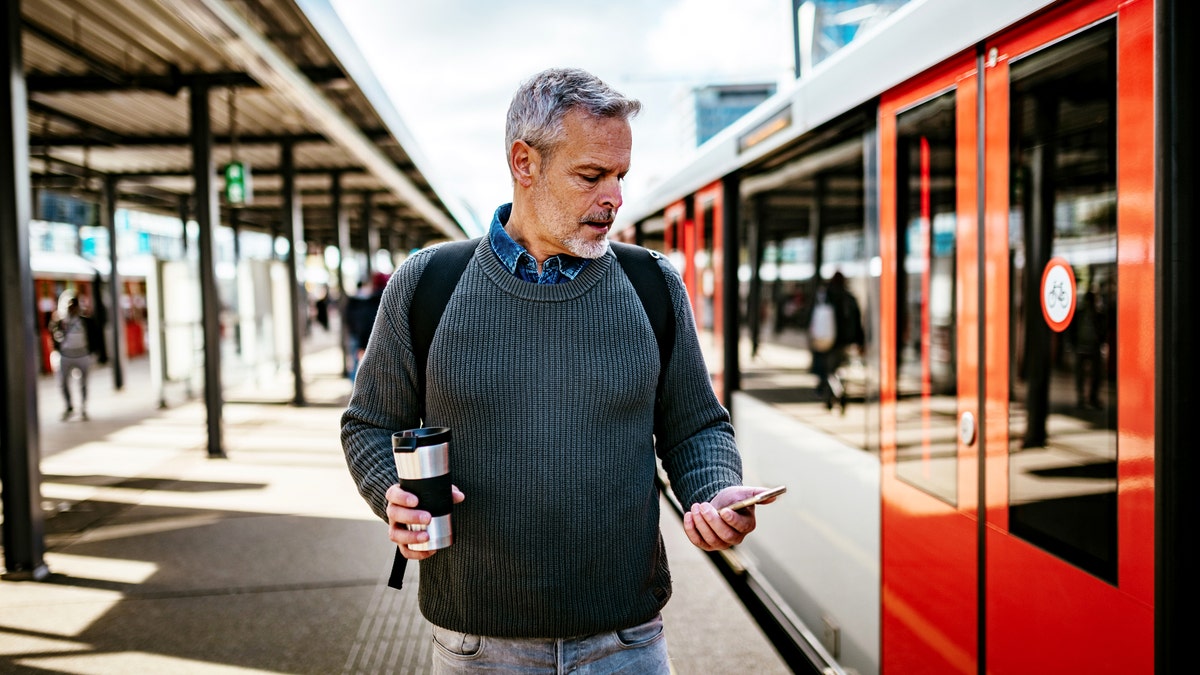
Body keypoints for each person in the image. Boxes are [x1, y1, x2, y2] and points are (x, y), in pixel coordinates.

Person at [340, 67, 775, 674]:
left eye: (620, 175)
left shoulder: (652, 284)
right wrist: (391, 492)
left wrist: (714, 490)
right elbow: (368, 423)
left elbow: (696, 426)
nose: (615, 198)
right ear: (524, 163)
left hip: (627, 642)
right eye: (591, 175)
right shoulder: (428, 284)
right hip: (477, 644)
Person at [810, 271, 864, 412]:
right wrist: (859, 341)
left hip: (827, 339)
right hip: (844, 341)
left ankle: (832, 395)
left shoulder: (825, 296)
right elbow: (857, 321)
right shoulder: (849, 298)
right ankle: (837, 392)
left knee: (829, 370)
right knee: (838, 369)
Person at [49, 293, 99, 421]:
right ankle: (69, 406)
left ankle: (83, 407)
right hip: (65, 356)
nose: (71, 308)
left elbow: (94, 336)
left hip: (83, 355)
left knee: (83, 383)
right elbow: (53, 335)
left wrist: (94, 353)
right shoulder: (60, 322)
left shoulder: (85, 321)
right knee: (63, 383)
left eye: (74, 306)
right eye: (69, 306)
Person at [344, 273, 387, 384]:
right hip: (376, 339)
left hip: (362, 337)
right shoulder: (387, 300)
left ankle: (355, 390)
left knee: (357, 366)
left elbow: (363, 322)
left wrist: (362, 343)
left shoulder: (368, 300)